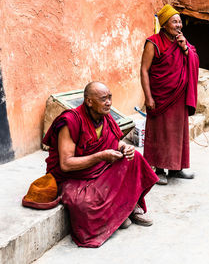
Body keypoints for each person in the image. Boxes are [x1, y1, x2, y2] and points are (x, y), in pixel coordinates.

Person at [43, 82, 159, 248]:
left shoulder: (105, 117)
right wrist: (100, 156)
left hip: (98, 168)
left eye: (110, 97)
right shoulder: (70, 121)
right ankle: (119, 215)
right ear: (89, 102)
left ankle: (131, 207)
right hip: (74, 176)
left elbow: (113, 142)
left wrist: (125, 147)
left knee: (135, 159)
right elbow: (66, 164)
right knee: (84, 203)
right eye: (103, 99)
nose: (109, 103)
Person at [140, 4, 199, 185]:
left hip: (179, 97)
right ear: (164, 24)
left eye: (180, 21)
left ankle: (176, 169)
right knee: (161, 133)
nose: (178, 25)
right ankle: (159, 169)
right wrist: (148, 97)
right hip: (160, 97)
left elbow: (195, 60)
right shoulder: (153, 43)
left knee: (177, 132)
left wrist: (186, 50)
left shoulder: (182, 42)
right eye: (174, 22)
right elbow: (144, 70)